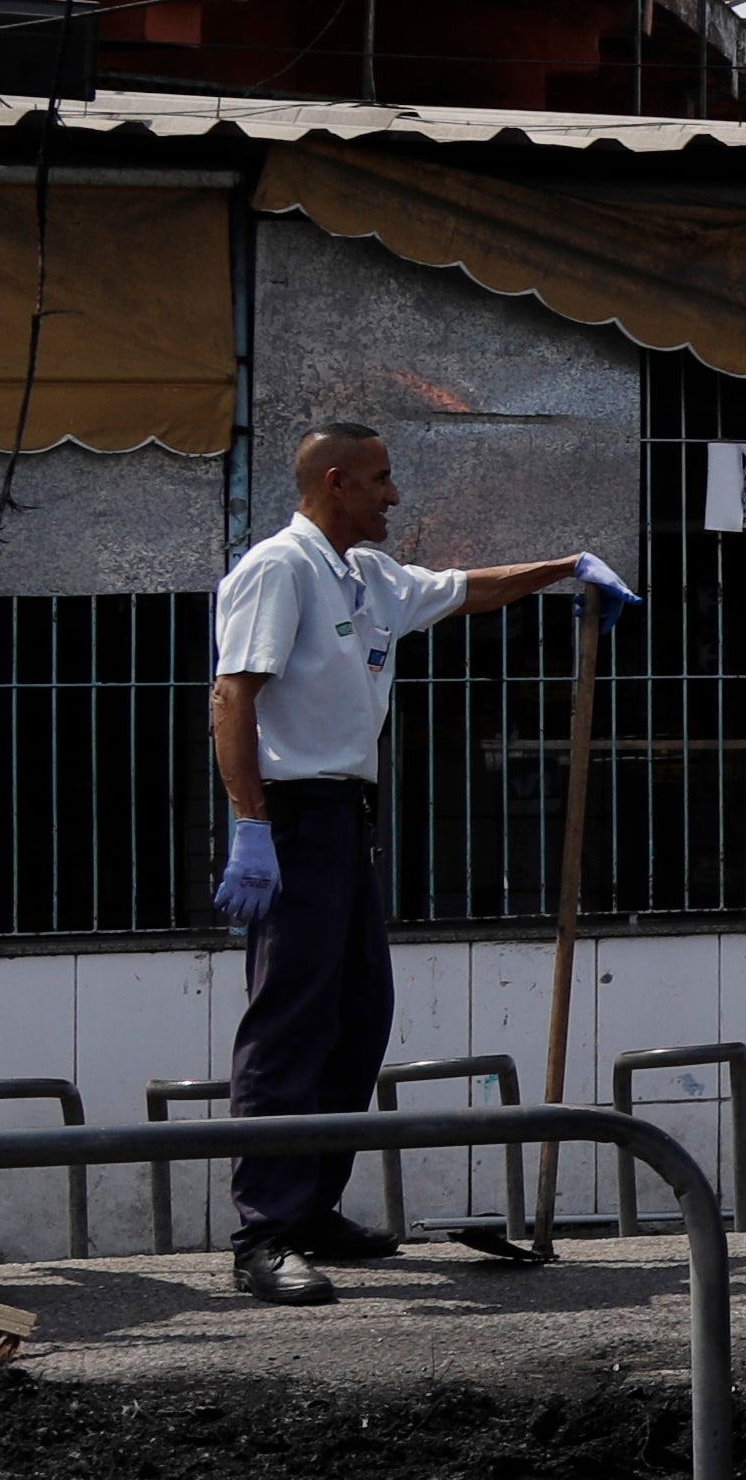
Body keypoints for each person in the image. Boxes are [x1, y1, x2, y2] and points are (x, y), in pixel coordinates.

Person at [204, 425, 631, 1304]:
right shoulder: (278, 568)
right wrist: (250, 825)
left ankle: (310, 1205)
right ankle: (265, 1231)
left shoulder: (367, 575)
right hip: (293, 815)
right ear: (335, 482)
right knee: (289, 1022)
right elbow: (232, 694)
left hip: (347, 816)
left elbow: (468, 589)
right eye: (381, 479)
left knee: (357, 1016)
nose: (394, 496)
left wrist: (563, 568)